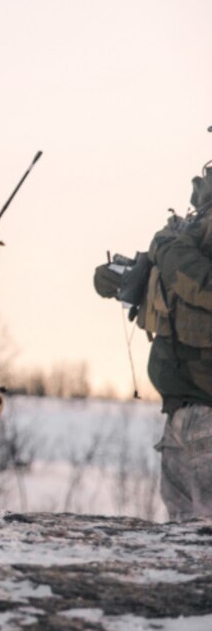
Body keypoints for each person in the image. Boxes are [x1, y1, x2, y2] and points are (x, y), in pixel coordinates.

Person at [134, 162, 212, 521]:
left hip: (206, 409)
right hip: (181, 406)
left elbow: (197, 281)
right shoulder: (196, 229)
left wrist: (170, 251)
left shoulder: (185, 243)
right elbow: (173, 294)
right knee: (181, 534)